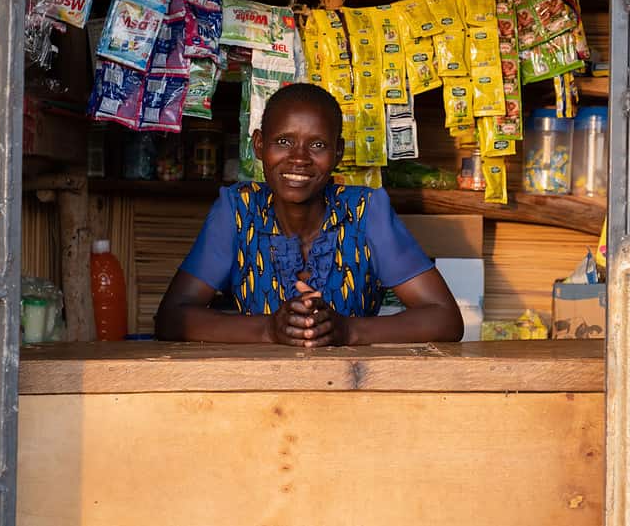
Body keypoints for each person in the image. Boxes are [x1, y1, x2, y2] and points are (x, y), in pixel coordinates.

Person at [154, 83, 463, 346]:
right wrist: (268, 329)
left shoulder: (366, 211)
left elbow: (445, 318)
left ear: (338, 153)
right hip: (253, 398)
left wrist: (349, 330)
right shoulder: (238, 210)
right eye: (283, 142)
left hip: (353, 394)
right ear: (260, 145)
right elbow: (171, 318)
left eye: (317, 144)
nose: (299, 158)